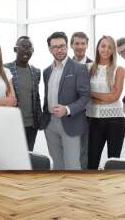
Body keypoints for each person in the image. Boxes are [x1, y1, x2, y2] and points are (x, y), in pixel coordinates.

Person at [42, 31, 90, 170]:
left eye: (62, 46)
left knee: (72, 165)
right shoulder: (47, 71)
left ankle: (73, 191)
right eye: (55, 47)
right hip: (50, 123)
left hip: (70, 122)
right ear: (50, 49)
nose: (59, 49)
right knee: (57, 164)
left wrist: (67, 109)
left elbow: (85, 97)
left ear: (67, 47)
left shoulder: (79, 68)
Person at [86, 35, 125, 170]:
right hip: (94, 120)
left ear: (113, 50)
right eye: (103, 46)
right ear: (98, 48)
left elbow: (114, 97)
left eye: (110, 47)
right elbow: (82, 94)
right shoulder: (88, 68)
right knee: (91, 162)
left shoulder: (119, 70)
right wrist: (104, 97)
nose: (106, 49)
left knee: (112, 164)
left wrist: (91, 94)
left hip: (115, 121)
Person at [4, 36, 43, 151]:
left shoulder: (36, 71)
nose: (26, 50)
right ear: (15, 49)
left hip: (31, 126)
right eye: (23, 47)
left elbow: (36, 98)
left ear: (33, 51)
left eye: (29, 47)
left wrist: (40, 119)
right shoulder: (5, 69)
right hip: (12, 124)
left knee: (28, 158)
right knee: (12, 157)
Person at [70, 31, 92, 170]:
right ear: (71, 45)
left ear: (87, 45)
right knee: (71, 151)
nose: (80, 46)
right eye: (76, 43)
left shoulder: (94, 66)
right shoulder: (65, 65)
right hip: (71, 115)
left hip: (90, 115)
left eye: (83, 43)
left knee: (86, 150)